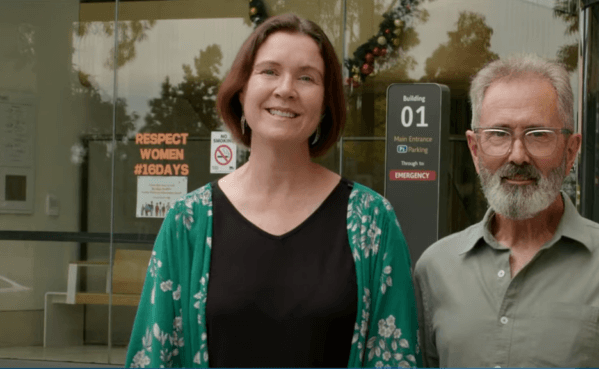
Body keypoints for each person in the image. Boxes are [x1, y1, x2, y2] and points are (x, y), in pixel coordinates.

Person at [126, 14, 421, 368]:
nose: (286, 89)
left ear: (326, 103)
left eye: (307, 77)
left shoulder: (372, 221)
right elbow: (155, 358)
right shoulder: (188, 222)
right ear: (241, 90)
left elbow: (395, 357)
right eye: (269, 71)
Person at [413, 55, 599, 367]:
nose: (518, 155)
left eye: (538, 135)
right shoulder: (435, 270)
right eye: (499, 134)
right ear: (474, 148)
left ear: (571, 150)